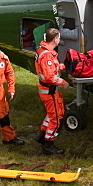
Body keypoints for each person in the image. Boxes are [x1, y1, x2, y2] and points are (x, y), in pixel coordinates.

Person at [35, 27, 68, 155]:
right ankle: (49, 143)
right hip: (49, 91)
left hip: (47, 90)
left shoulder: (43, 51)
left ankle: (42, 135)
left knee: (50, 114)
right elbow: (49, 77)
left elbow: (49, 69)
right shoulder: (47, 55)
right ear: (55, 39)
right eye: (59, 38)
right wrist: (63, 82)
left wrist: (63, 66)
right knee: (57, 117)